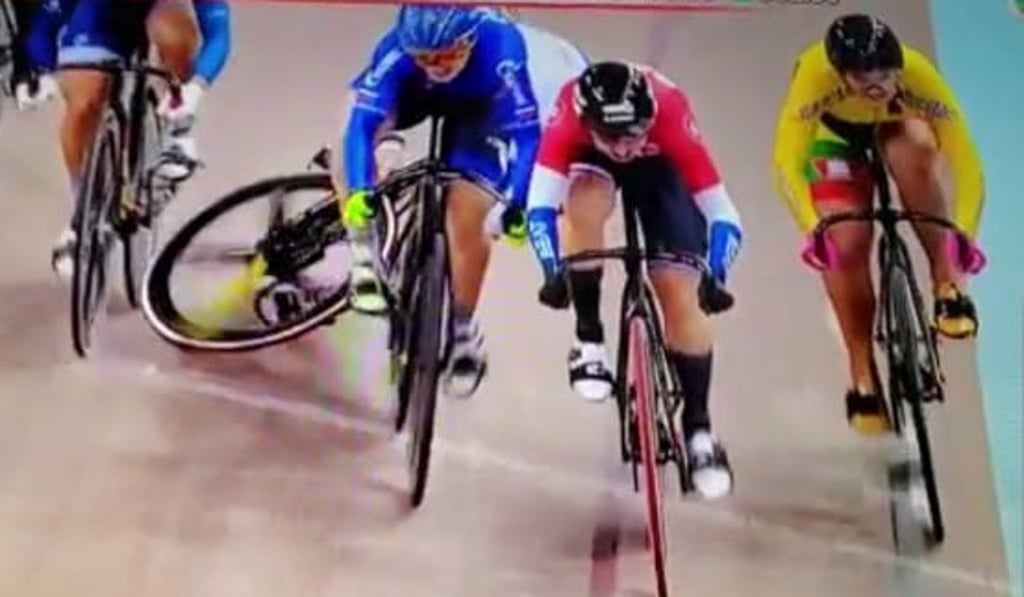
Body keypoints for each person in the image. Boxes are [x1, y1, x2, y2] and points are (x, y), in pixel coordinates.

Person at [339, 5, 589, 398]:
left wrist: (515, 204)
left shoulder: (503, 47)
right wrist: (360, 190)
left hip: (480, 112)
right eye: (425, 57)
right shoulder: (398, 51)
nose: (436, 65)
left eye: (446, 55)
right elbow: (362, 123)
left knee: (470, 211)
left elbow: (527, 139)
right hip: (411, 94)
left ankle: (461, 328)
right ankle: (363, 256)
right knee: (352, 130)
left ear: (470, 39)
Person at [525, 61, 742, 500]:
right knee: (583, 202)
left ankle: (700, 432)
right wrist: (553, 273)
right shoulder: (568, 113)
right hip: (590, 164)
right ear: (588, 123)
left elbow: (724, 214)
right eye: (614, 137)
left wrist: (715, 275)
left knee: (680, 291)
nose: (624, 147)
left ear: (649, 118)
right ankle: (589, 337)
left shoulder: (671, 111)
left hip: (661, 165)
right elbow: (540, 209)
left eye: (633, 135)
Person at [771, 13, 987, 436]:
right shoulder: (814, 76)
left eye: (885, 74)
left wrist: (965, 235)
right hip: (834, 135)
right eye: (861, 76)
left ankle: (948, 286)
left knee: (915, 160)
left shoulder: (918, 73)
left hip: (897, 122)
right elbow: (786, 162)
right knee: (845, 239)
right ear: (838, 73)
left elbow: (966, 161)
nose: (875, 85)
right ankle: (861, 371)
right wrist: (812, 227)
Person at [16, 0, 231, 278]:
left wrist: (196, 88)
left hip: (161, 9)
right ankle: (83, 215)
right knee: (83, 104)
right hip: (99, 16)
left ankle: (178, 130)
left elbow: (218, 34)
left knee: (173, 34)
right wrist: (40, 71)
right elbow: (45, 23)